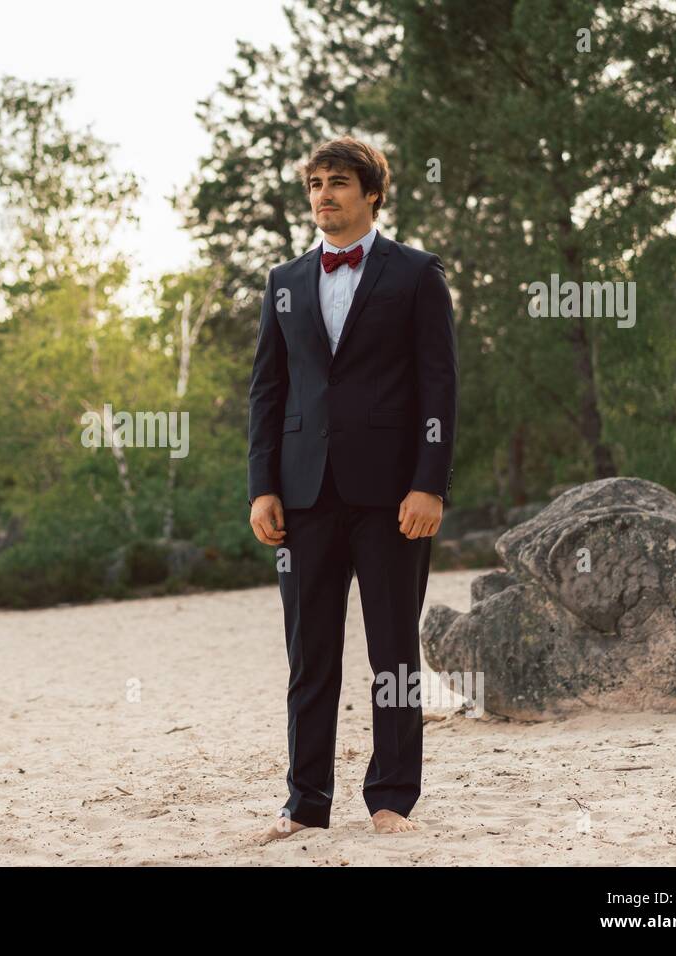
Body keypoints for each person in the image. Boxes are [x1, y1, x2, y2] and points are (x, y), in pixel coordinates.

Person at [247, 137, 457, 841]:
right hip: (303, 496)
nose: (323, 195)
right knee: (310, 656)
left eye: (338, 182)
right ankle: (305, 802)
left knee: (393, 651)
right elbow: (268, 393)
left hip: (392, 497)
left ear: (372, 192)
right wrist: (262, 486)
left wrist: (430, 483)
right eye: (313, 184)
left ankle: (392, 796)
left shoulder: (418, 274)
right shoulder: (283, 280)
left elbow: (438, 386)